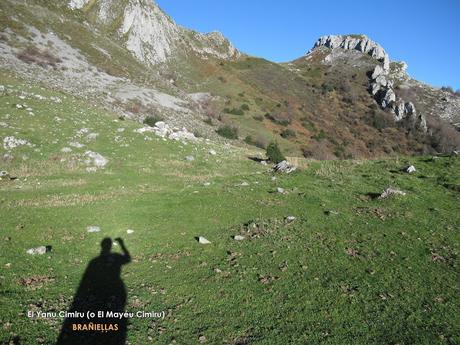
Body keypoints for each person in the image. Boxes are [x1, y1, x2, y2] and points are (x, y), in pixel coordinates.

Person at [56, 237, 131, 345]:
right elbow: (127, 258)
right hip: (108, 289)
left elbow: (86, 278)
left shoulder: (94, 261)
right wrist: (122, 244)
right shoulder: (98, 261)